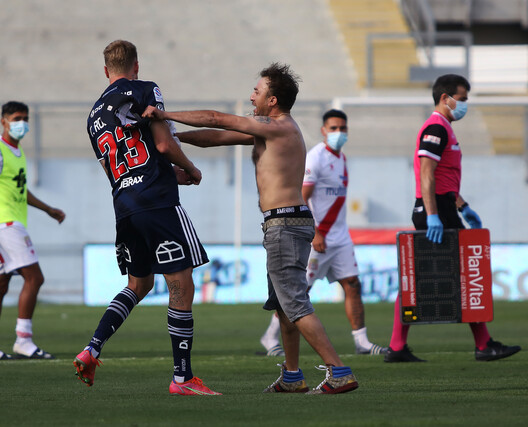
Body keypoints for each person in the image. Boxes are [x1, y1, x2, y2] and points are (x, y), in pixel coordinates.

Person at [145, 63, 359, 394]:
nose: (251, 96)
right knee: (284, 304)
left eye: (257, 91)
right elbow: (214, 137)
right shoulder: (270, 128)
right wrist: (170, 137)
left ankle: (339, 371)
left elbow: (217, 119)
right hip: (287, 222)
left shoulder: (276, 126)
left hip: (285, 224)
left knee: (294, 303)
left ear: (272, 100)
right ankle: (292, 376)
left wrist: (163, 115)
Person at [72, 40, 220, 396]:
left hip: (124, 206)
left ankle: (92, 348)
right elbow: (164, 144)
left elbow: (126, 159)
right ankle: (182, 379)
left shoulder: (93, 115)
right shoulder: (145, 89)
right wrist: (191, 169)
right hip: (157, 203)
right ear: (136, 66)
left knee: (139, 285)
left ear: (106, 71)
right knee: (181, 286)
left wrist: (166, 171)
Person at [384, 74, 521, 363]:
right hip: (436, 212)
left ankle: (397, 347)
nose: (465, 104)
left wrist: (462, 205)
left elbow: (443, 179)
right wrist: (434, 215)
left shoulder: (443, 127)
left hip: (443, 207)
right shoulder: (437, 127)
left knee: (423, 278)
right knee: (464, 275)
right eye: (463, 98)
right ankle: (483, 345)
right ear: (446, 98)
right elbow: (427, 173)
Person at [260, 110, 385, 357]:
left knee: (353, 284)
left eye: (342, 128)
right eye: (334, 128)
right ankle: (270, 337)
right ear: (323, 131)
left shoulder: (342, 159)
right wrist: (314, 233)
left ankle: (362, 342)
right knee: (297, 292)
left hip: (340, 237)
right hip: (318, 238)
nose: (339, 132)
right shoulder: (315, 158)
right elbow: (303, 197)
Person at [0, 101, 66, 361]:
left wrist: (48, 209)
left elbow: (20, 191)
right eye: (17, 118)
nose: (22, 123)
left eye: (25, 118)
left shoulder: (16, 152)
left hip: (8, 225)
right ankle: (23, 340)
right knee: (34, 278)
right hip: (4, 225)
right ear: (3, 121)